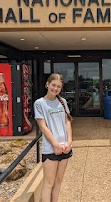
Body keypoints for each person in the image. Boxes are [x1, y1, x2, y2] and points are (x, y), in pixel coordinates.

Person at [34, 73, 73, 202]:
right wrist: (55, 145)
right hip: (51, 149)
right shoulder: (40, 103)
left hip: (65, 148)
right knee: (48, 183)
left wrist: (69, 142)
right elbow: (43, 127)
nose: (55, 88)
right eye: (53, 85)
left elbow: (67, 122)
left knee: (58, 182)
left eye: (59, 86)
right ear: (47, 84)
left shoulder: (63, 102)